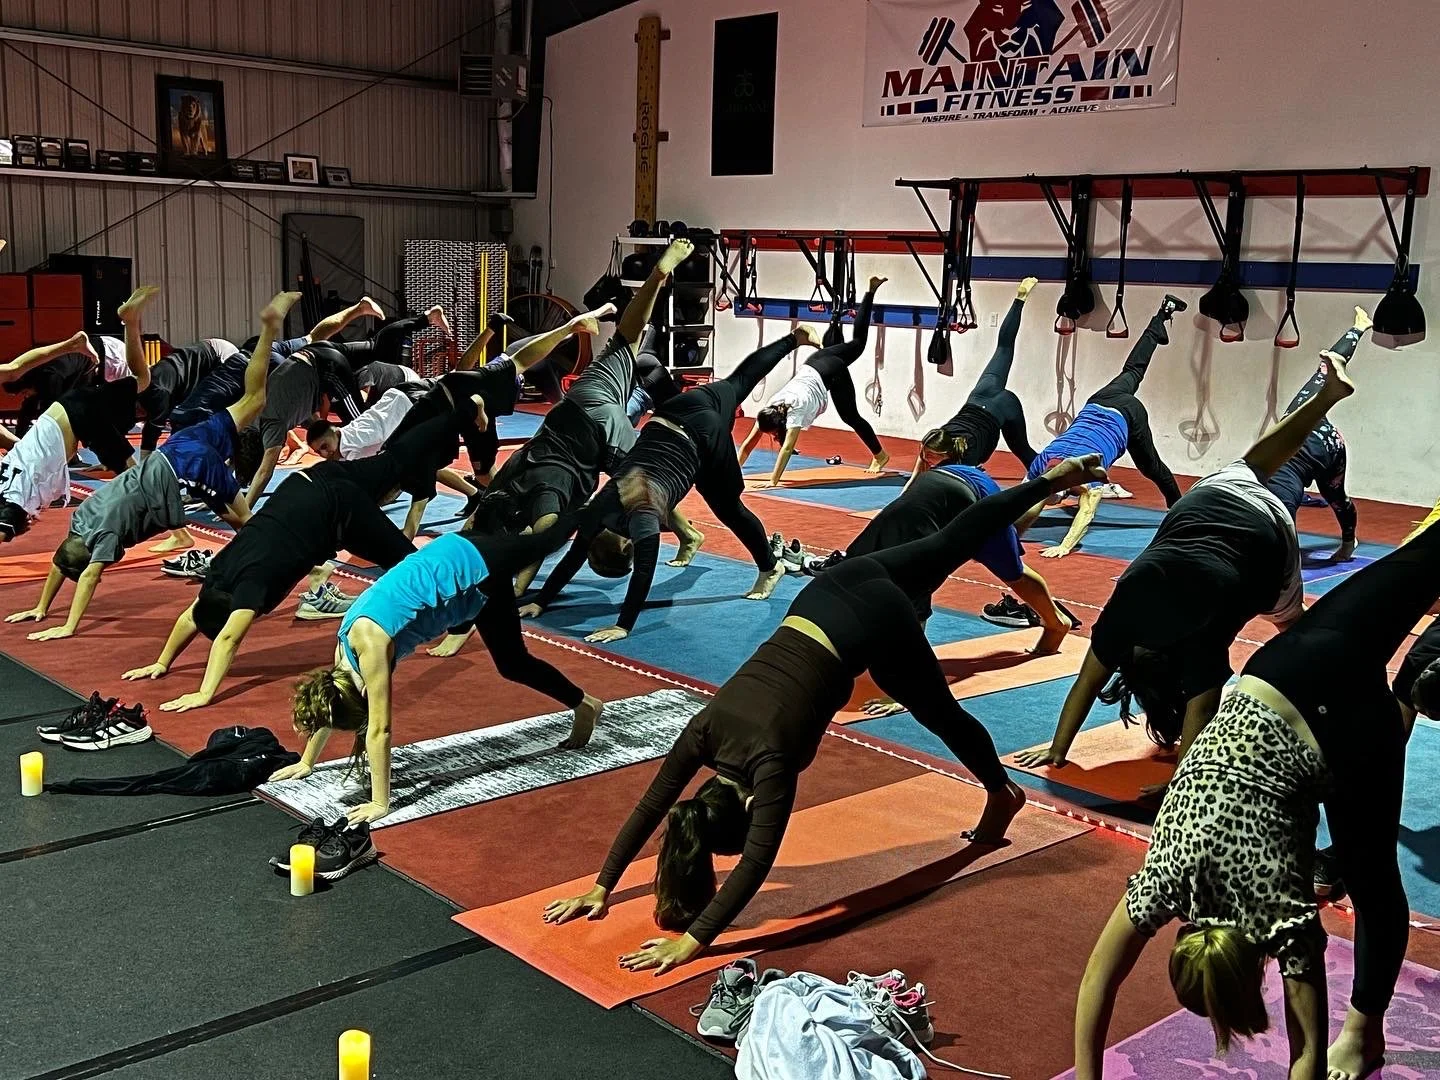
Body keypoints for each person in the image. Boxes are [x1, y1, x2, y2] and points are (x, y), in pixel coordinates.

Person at [539, 454, 1107, 974]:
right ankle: (1050, 482)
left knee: (938, 708)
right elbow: (654, 806)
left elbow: (756, 862)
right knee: (950, 543)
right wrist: (600, 885)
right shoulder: (704, 728)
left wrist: (693, 941)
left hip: (874, 618)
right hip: (827, 593)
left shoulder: (771, 763)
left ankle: (1002, 792)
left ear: (749, 805)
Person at [1071, 512, 1440, 1080]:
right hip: (1288, 671)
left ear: (1258, 970)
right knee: (1429, 555)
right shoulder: (1161, 883)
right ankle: (1364, 1033)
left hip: (1342, 735)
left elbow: (1306, 1057)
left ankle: (1364, 1034)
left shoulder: (1281, 919)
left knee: (1373, 882)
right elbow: (1097, 979)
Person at [1016, 349, 1356, 785]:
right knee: (1255, 463)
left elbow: (1202, 706)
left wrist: (1174, 779)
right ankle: (1325, 396)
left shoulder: (1196, 644)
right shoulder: (1124, 619)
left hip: (1266, 531)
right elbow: (1088, 683)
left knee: (1292, 628)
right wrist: (1059, 747)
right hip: (1206, 501)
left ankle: (1332, 690)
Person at [272, 510, 615, 825]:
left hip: (475, 567)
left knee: (549, 540)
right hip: (455, 564)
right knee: (513, 663)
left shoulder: (372, 648)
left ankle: (605, 505)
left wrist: (379, 803)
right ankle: (585, 703)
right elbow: (328, 704)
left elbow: (380, 729)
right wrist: (307, 762)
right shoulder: (342, 663)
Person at [119, 410, 468, 712]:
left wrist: (204, 693)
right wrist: (162, 662)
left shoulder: (249, 589)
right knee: (395, 459)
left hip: (337, 508)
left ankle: (467, 610)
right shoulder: (218, 575)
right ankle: (462, 409)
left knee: (407, 566)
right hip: (309, 479)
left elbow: (228, 639)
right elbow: (190, 617)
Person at [4, 290, 299, 640]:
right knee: (251, 398)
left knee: (246, 525)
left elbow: (87, 574)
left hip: (187, 467)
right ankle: (267, 328)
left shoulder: (101, 539)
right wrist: (41, 607)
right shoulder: (81, 518)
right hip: (177, 445)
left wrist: (68, 625)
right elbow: (63, 561)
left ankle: (287, 569)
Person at [521, 291, 814, 639]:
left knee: (728, 507)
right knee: (738, 382)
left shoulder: (642, 517)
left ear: (628, 545)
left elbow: (642, 572)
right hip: (671, 413)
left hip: (701, 437)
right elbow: (574, 554)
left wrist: (622, 625)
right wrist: (541, 601)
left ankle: (769, 566)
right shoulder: (599, 509)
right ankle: (794, 339)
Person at [463, 251, 686, 608]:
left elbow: (540, 538)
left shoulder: (556, 502)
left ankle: (687, 533)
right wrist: (516, 586)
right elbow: (488, 524)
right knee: (627, 340)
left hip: (594, 420)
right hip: (580, 408)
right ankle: (656, 279)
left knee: (644, 487)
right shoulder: (510, 487)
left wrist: (519, 591)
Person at [821, 460, 1077, 720]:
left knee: (1011, 569)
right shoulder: (854, 561)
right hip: (943, 482)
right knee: (1001, 544)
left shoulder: (912, 573)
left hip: (972, 492)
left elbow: (915, 637)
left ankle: (1057, 623)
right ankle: (1041, 491)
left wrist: (906, 693)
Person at [1015, 295, 1188, 557]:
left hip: (1127, 415)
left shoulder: (1088, 473)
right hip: (1101, 401)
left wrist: (1065, 546)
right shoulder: (1043, 462)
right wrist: (1014, 532)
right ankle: (1162, 316)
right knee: (1132, 371)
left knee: (1151, 467)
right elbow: (1030, 501)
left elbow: (1085, 514)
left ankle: (1179, 510)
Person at [737, 276, 890, 485]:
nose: (770, 436)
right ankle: (870, 291)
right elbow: (748, 444)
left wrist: (773, 482)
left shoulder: (795, 413)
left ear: (779, 424)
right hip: (816, 361)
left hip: (831, 372)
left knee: (850, 415)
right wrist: (733, 472)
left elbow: (787, 449)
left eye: (772, 433)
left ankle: (880, 456)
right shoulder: (770, 408)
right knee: (858, 343)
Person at [0, 333, 145, 542]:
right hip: (74, 410)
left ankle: (129, 323)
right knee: (142, 381)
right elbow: (14, 370)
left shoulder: (13, 500)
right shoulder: (14, 488)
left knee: (139, 484)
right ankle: (79, 341)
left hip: (78, 413)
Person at [1263, 308, 1372, 562]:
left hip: (1322, 445)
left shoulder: (1280, 493)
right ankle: (1358, 328)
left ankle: (1349, 542)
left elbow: (1285, 535)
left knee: (1336, 498)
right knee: (1336, 498)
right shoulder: (1268, 484)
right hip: (1317, 437)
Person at [911, 277, 1040, 474]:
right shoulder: (936, 441)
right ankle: (1019, 300)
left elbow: (971, 483)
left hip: (1003, 406)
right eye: (926, 456)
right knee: (1004, 348)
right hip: (981, 394)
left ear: (946, 454)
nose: (927, 460)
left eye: (930, 457)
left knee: (1023, 450)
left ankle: (1053, 479)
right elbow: (920, 468)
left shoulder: (967, 456)